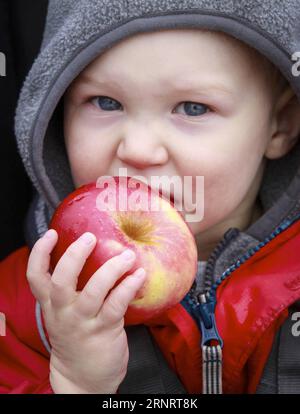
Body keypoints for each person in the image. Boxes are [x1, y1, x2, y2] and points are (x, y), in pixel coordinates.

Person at [1, 0, 300, 394]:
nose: (139, 149)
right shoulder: (29, 306)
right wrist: (76, 382)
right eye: (105, 103)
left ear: (279, 126)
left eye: (193, 108)